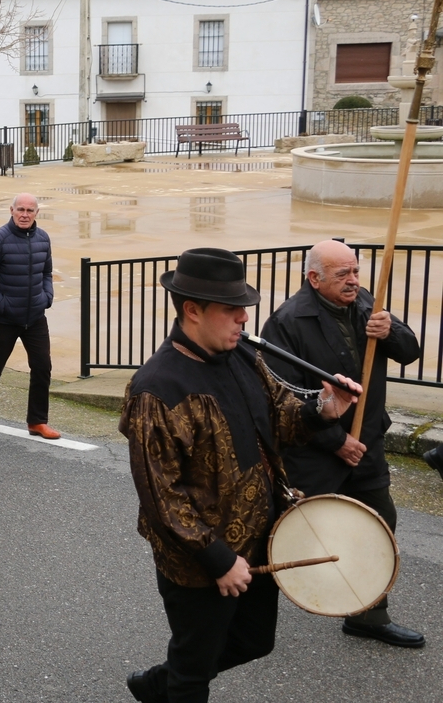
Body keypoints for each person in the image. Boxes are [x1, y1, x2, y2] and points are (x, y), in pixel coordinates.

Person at [122, 247, 361, 703]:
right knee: (193, 675)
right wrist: (217, 559)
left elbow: (280, 418)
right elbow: (160, 496)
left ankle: (158, 683)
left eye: (243, 310)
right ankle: (174, 683)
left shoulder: (242, 358)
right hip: (200, 562)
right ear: (192, 310)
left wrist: (324, 409)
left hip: (259, 539)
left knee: (255, 641)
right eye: (232, 311)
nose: (244, 321)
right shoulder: (157, 389)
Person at [260, 239, 424, 649]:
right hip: (315, 451)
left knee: (379, 522)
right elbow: (282, 400)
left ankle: (369, 614)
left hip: (366, 442)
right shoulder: (287, 322)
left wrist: (392, 331)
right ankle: (249, 614)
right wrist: (336, 442)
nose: (354, 281)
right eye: (343, 275)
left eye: (355, 271)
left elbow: (410, 352)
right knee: (299, 528)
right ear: (314, 279)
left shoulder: (368, 302)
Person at [0, 194, 58, 439]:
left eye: (30, 210)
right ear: (11, 210)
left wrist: (47, 297)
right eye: (20, 209)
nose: (25, 214)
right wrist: (3, 305)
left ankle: (37, 421)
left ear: (36, 213)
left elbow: (47, 273)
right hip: (3, 319)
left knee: (42, 367)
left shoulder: (43, 238)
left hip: (35, 317)